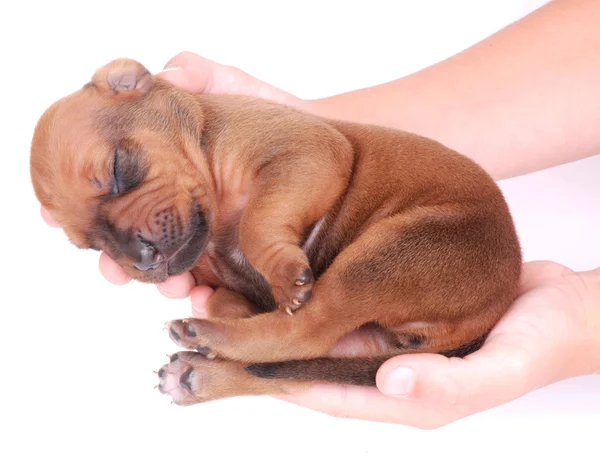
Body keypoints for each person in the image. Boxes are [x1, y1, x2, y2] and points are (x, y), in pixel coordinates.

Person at [40, 0, 600, 428]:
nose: (135, 241)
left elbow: (315, 156)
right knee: (246, 310)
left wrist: (266, 239)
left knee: (326, 296)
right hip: (380, 299)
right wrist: (238, 305)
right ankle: (250, 364)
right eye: (99, 239)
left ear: (136, 87)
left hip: (456, 238)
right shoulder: (196, 202)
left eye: (121, 174)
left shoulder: (236, 132)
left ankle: (268, 349)